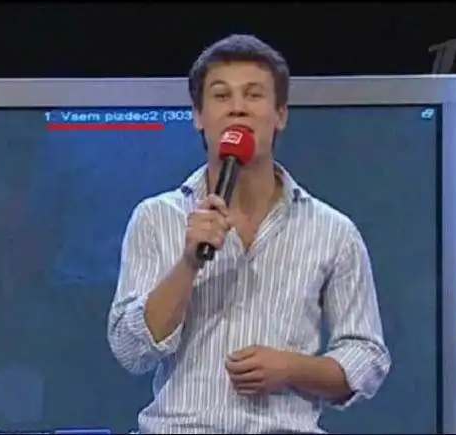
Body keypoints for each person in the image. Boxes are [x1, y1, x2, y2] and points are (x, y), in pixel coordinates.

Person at [107, 34, 391, 434]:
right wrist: (188, 263)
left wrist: (292, 367)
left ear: (280, 115)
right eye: (221, 96)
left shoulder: (333, 231)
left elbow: (367, 355)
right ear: (198, 116)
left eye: (254, 95)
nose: (237, 107)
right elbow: (130, 350)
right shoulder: (156, 217)